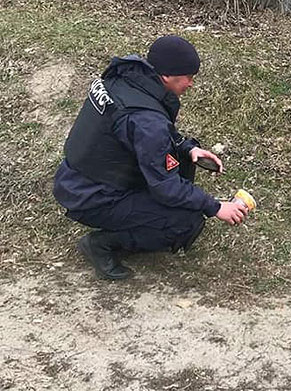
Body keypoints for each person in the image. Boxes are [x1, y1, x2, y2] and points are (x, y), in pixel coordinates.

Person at [53, 35, 248, 280]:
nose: (190, 84)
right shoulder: (146, 120)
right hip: (94, 196)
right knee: (187, 221)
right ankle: (101, 244)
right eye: (188, 77)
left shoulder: (124, 79)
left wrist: (187, 148)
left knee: (182, 164)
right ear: (167, 76)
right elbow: (165, 185)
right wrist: (216, 207)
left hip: (76, 179)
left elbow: (140, 133)